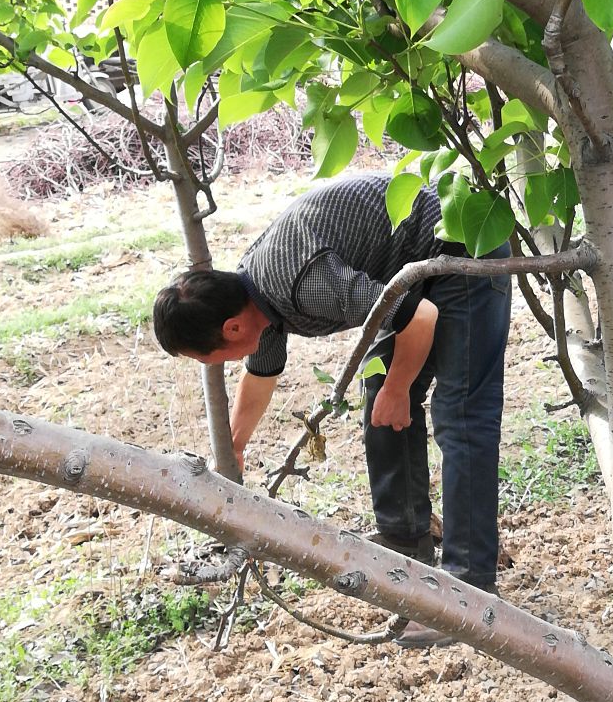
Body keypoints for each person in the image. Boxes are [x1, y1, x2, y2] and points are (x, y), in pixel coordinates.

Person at [150, 173, 510, 639]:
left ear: (232, 329)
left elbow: (420, 319)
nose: (210, 364)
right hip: (412, 275)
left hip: (461, 248)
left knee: (461, 415)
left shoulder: (301, 282)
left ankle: (469, 591)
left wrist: (400, 388)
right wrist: (234, 446)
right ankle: (405, 538)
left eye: (206, 356)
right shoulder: (251, 295)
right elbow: (260, 375)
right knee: (379, 399)